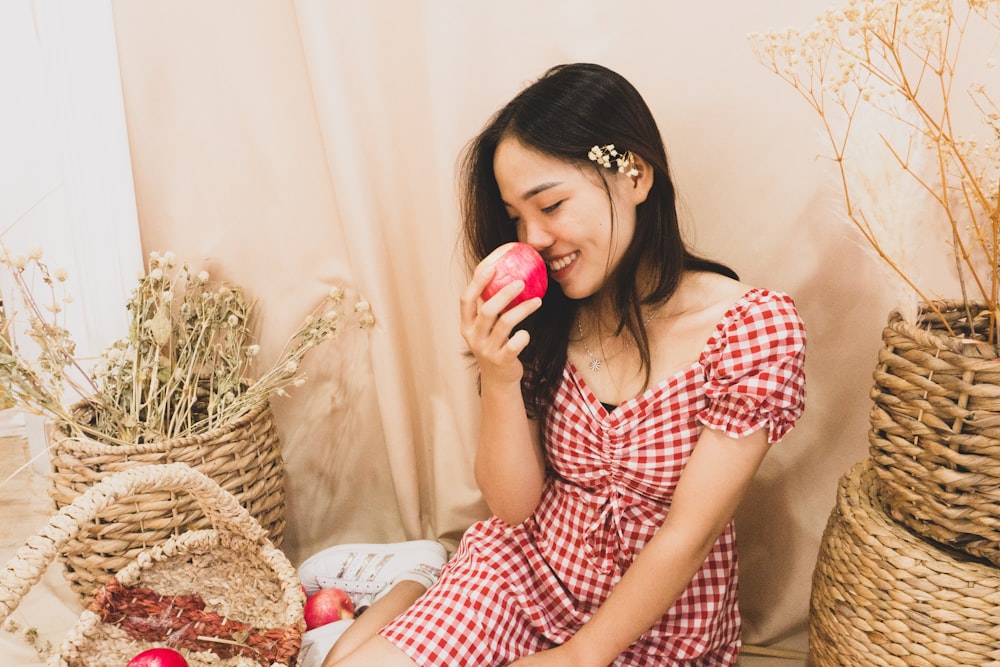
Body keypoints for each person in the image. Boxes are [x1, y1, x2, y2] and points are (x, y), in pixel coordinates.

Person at [299, 62, 807, 666]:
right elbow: (513, 507)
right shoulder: (546, 315)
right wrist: (498, 374)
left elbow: (689, 536)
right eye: (516, 217)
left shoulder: (752, 330)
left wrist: (578, 657)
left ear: (636, 175)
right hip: (524, 576)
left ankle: (413, 583)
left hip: (663, 625)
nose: (532, 238)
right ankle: (419, 579)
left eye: (551, 204)